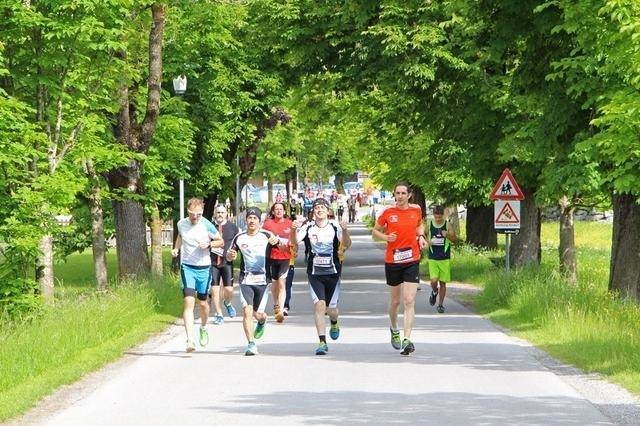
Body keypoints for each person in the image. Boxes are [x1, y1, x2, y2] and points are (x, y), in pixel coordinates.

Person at [290, 198, 351, 355]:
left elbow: (346, 244)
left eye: (322, 207)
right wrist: (292, 230)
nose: (319, 210)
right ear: (313, 211)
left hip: (333, 273)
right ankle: (322, 341)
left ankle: (334, 321)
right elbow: (294, 242)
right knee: (319, 305)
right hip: (315, 273)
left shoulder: (334, 226)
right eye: (316, 207)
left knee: (332, 310)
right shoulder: (308, 227)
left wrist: (344, 230)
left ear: (328, 210)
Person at [372, 183, 426, 356]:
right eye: (398, 193)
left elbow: (420, 225)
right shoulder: (388, 213)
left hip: (412, 259)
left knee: (409, 300)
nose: (400, 196)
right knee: (395, 302)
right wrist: (386, 237)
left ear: (409, 195)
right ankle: (394, 328)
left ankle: (407, 339)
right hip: (393, 260)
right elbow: (375, 231)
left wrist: (421, 236)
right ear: (394, 195)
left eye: (403, 193)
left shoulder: (416, 210)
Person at [172, 198, 224, 353]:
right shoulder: (181, 224)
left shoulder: (206, 225)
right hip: (187, 267)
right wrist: (176, 249)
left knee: (202, 303)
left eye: (199, 214)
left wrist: (209, 244)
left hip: (204, 268)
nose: (195, 217)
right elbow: (181, 236)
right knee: (188, 301)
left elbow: (220, 241)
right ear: (188, 212)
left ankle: (203, 327)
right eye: (193, 214)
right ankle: (189, 339)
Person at [226, 207, 280, 355]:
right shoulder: (239, 237)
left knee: (258, 314)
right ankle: (251, 344)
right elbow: (229, 255)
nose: (251, 220)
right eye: (249, 218)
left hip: (263, 281)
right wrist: (231, 256)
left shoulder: (266, 235)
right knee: (247, 311)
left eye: (254, 218)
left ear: (259, 221)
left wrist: (277, 242)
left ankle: (262, 320)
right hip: (246, 280)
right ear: (246, 220)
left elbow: (281, 246)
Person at [262, 202, 293, 323]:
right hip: (271, 257)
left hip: (285, 257)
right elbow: (262, 238)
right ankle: (275, 303)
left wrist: (292, 248)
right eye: (276, 209)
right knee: (274, 283)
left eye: (281, 209)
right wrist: (270, 240)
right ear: (273, 212)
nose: (279, 211)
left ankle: (280, 309)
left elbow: (294, 240)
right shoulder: (267, 224)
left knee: (282, 283)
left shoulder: (289, 224)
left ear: (284, 211)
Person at [209, 204, 239, 325]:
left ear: (226, 213)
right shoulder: (210, 227)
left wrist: (234, 253)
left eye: (222, 212)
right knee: (215, 290)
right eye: (218, 212)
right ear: (215, 214)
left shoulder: (233, 227)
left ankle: (227, 303)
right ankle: (219, 314)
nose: (220, 215)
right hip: (212, 262)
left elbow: (237, 243)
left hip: (227, 263)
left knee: (229, 290)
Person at [427, 205, 458, 313]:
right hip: (433, 257)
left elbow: (455, 240)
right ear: (434, 215)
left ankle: (440, 305)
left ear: (443, 216)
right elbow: (422, 237)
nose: (438, 219)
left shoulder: (447, 224)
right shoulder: (430, 224)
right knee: (434, 280)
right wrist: (428, 243)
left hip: (444, 257)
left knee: (443, 283)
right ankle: (434, 291)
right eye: (436, 217)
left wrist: (447, 235)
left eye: (440, 217)